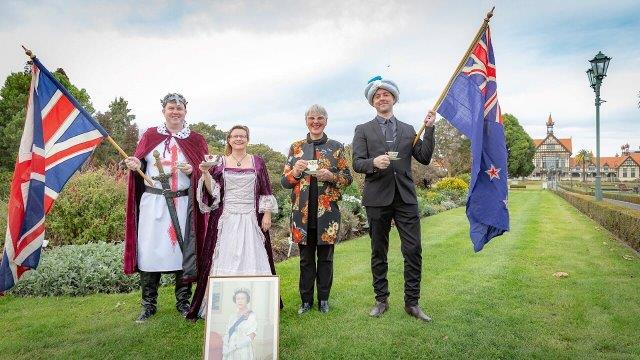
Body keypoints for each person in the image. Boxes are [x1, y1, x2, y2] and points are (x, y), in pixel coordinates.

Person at [352, 77, 436, 322]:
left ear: (393, 98)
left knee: (413, 249)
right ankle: (381, 299)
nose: (382, 98)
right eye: (377, 96)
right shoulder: (363, 130)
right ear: (372, 102)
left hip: (405, 197)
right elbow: (357, 163)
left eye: (386, 94)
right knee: (379, 250)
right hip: (377, 197)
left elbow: (424, 157)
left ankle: (412, 303)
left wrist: (429, 129)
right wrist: (373, 163)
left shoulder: (410, 129)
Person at [123, 93, 208, 323]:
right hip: (154, 203)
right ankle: (148, 304)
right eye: (171, 108)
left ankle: (183, 302)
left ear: (185, 112)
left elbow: (206, 171)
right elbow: (141, 162)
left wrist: (193, 171)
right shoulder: (150, 135)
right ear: (164, 111)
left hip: (182, 203)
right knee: (150, 250)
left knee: (182, 250)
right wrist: (135, 163)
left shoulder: (196, 139)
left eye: (179, 108)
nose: (175, 112)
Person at [186, 125, 279, 320]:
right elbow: (214, 193)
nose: (239, 139)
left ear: (247, 139)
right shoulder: (219, 162)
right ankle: (224, 306)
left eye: (242, 136)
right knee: (223, 256)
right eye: (235, 136)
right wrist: (205, 173)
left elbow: (266, 189)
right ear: (229, 140)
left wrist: (267, 214)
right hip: (226, 218)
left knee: (253, 255)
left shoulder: (258, 162)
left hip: (251, 218)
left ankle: (257, 304)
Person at [281, 104, 352, 314]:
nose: (315, 122)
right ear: (306, 121)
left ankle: (323, 300)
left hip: (327, 215)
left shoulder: (336, 147)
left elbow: (347, 178)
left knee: (326, 259)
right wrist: (295, 171)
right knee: (305, 260)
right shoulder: (296, 148)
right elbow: (285, 182)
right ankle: (305, 301)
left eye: (320, 118)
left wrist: (331, 176)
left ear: (326, 121)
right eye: (311, 118)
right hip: (301, 214)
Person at [222, 288, 257, 360]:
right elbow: (227, 332)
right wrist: (225, 346)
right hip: (229, 349)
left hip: (243, 350)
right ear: (235, 300)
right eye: (238, 299)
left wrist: (235, 346)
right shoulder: (232, 316)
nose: (240, 301)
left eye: (242, 298)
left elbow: (251, 336)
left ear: (247, 300)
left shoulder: (251, 315)